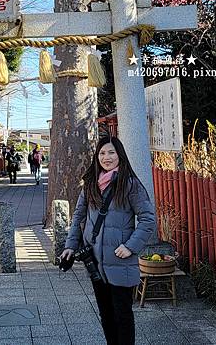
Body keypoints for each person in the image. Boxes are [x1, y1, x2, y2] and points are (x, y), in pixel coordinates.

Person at [59, 136, 155, 345]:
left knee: (123, 315)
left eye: (111, 152)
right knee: (106, 315)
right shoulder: (91, 183)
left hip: (120, 259)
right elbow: (78, 216)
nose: (106, 157)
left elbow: (148, 219)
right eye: (102, 153)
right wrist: (70, 246)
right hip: (95, 260)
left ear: (120, 155)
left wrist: (131, 246)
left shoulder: (130, 184)